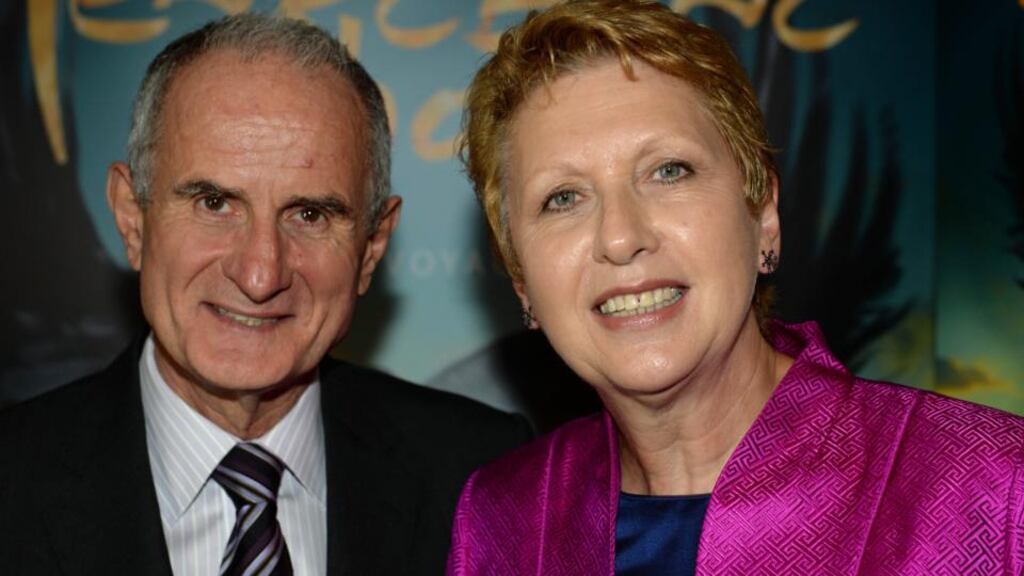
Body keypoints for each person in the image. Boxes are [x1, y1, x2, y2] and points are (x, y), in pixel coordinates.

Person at [446, 1, 1024, 574]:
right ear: (521, 278)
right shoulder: (499, 518)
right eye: (563, 198)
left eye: (669, 171)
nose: (620, 238)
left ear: (762, 213)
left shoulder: (993, 491)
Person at [0, 13, 530, 576]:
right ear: (133, 220)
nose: (260, 274)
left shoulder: (485, 478)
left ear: (371, 248)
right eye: (213, 203)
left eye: (309, 214)